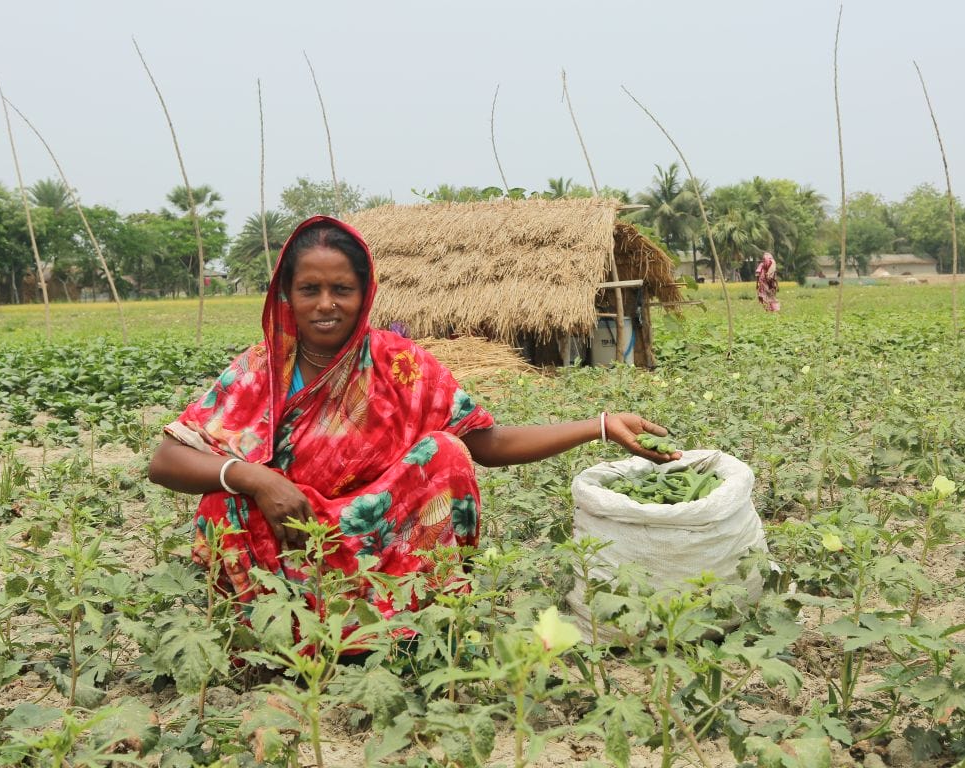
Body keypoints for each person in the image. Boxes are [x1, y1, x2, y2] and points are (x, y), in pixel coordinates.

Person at [147, 215, 678, 625]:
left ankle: (410, 619)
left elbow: (486, 443)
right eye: (310, 289)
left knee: (446, 455)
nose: (326, 304)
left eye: (342, 290)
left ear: (365, 294)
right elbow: (166, 459)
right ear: (287, 294)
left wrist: (600, 425)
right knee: (222, 503)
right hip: (288, 538)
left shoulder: (397, 362)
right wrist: (255, 477)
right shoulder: (259, 368)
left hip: (375, 541)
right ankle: (271, 629)